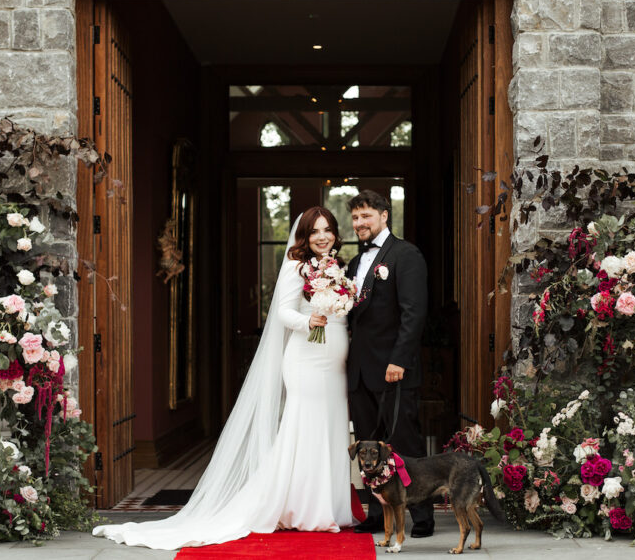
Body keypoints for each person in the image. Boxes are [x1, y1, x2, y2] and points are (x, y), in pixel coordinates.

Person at [93, 207, 354, 549]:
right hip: (306, 357)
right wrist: (309, 323)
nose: (323, 237)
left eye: (328, 230)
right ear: (304, 236)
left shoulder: (337, 267)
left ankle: (330, 505)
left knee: (331, 426)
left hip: (335, 358)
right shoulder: (296, 267)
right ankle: (303, 508)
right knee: (304, 426)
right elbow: (283, 313)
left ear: (335, 233)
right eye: (315, 231)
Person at [346, 189, 433, 537]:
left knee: (404, 444)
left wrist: (399, 360)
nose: (359, 223)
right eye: (355, 217)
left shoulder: (405, 254)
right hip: (360, 372)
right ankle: (376, 514)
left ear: (384, 215)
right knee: (369, 446)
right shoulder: (354, 263)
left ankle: (422, 516)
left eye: (366, 215)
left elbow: (414, 313)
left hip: (393, 369)